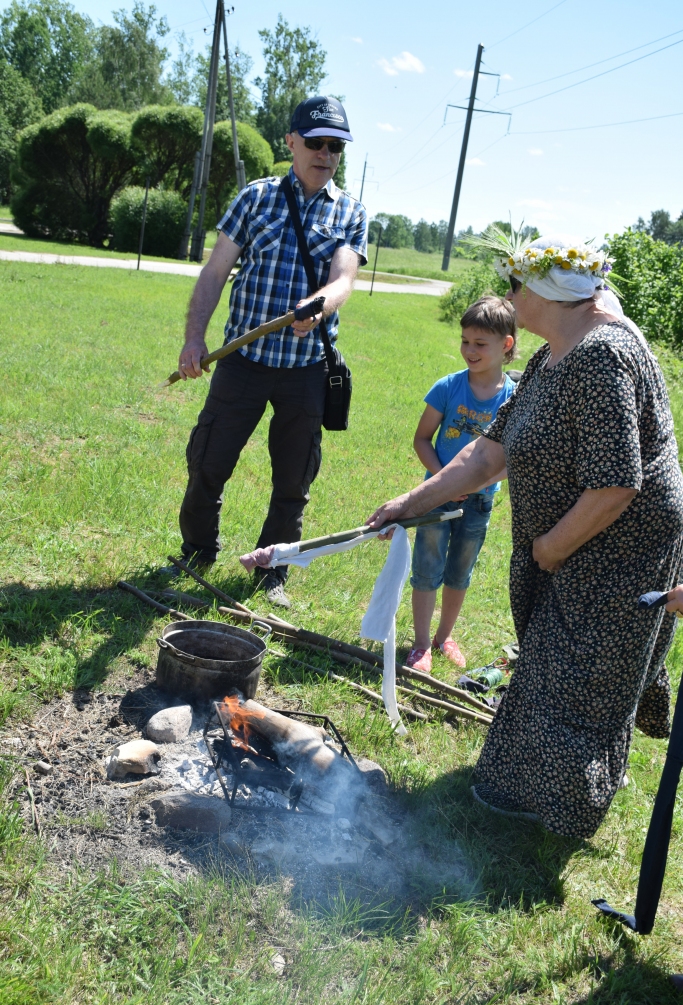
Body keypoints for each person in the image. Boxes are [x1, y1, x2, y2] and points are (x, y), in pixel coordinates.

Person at [366, 231, 683, 838]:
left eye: (517, 283)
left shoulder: (599, 357)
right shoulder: (554, 352)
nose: (509, 295)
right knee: (546, 666)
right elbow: (487, 456)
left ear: (545, 292)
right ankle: (526, 791)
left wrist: (549, 548)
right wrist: (410, 502)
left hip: (619, 549)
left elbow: (617, 485)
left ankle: (558, 815)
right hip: (579, 541)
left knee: (579, 677)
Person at [167, 96, 367, 607]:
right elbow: (215, 272)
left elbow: (343, 280)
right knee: (209, 460)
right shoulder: (255, 198)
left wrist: (318, 307)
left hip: (305, 370)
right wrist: (194, 338)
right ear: (292, 142)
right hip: (242, 361)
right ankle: (197, 551)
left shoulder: (350, 211)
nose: (326, 153)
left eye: (336, 146)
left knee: (293, 478)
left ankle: (271, 569)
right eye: (317, 142)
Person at [406, 296, 517, 673]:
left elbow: (513, 458)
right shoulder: (448, 387)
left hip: (480, 502)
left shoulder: (514, 398)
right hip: (436, 498)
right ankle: (421, 645)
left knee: (459, 571)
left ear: (507, 344)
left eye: (480, 344)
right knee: (427, 566)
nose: (469, 350)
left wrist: (482, 480)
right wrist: (443, 481)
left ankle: (444, 637)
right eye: (465, 340)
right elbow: (422, 439)